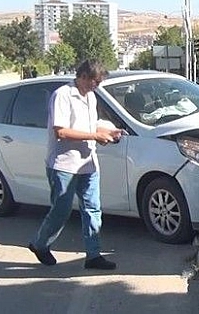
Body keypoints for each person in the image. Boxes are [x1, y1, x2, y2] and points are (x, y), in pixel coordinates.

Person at [29, 59, 122, 270]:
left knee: (93, 209)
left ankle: (93, 255)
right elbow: (60, 132)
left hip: (88, 164)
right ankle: (40, 244)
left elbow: (90, 124)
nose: (96, 86)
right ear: (82, 77)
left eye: (98, 82)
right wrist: (94, 136)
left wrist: (108, 131)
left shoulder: (90, 97)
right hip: (63, 165)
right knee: (60, 211)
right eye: (94, 82)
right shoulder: (62, 95)